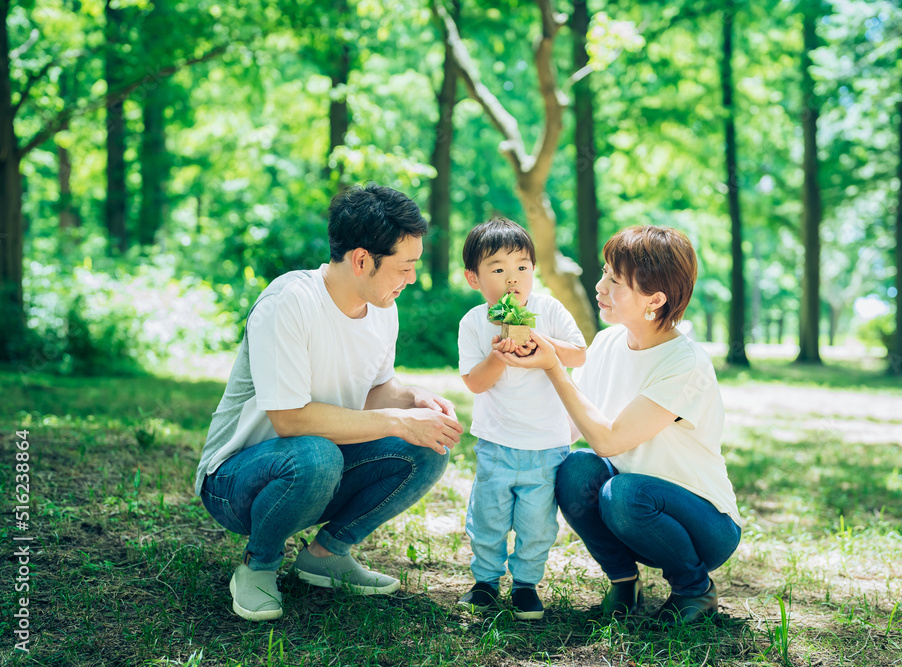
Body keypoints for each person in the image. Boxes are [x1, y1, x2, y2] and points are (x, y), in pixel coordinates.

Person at [195, 183, 464, 622]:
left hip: (318, 467)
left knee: (427, 446)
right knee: (316, 455)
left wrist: (414, 399)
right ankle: (258, 566)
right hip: (235, 481)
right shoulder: (290, 302)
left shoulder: (382, 306)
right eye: (405, 267)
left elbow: (374, 391)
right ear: (361, 260)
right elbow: (289, 419)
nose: (411, 279)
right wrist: (396, 420)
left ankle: (326, 555)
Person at [496, 225, 741, 627]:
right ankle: (624, 580)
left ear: (655, 299)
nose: (599, 286)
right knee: (576, 469)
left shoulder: (685, 363)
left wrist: (554, 367)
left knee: (623, 492)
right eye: (604, 272)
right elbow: (573, 428)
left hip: (703, 523)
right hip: (631, 508)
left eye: (615, 280)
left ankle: (694, 587)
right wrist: (508, 452)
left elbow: (608, 441)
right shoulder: (610, 343)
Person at [456, 217, 587, 620]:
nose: (512, 279)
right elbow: (474, 383)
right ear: (473, 278)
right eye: (498, 269)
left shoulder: (548, 310)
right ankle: (485, 581)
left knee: (537, 524)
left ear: (534, 270)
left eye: (522, 267)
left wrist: (541, 344)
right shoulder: (474, 323)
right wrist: (498, 355)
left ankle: (527, 584)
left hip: (547, 445)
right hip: (496, 443)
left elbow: (579, 353)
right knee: (488, 517)